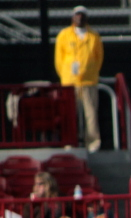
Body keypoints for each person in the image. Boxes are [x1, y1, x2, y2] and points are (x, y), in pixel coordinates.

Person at [54, 6, 103, 152]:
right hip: (70, 82)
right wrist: (65, 75)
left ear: (86, 18)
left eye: (82, 15)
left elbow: (98, 58)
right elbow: (59, 59)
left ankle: (93, 142)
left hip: (88, 81)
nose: (79, 18)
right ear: (72, 17)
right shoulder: (64, 35)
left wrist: (91, 72)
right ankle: (69, 141)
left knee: (91, 113)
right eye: (77, 15)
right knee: (69, 113)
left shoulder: (94, 36)